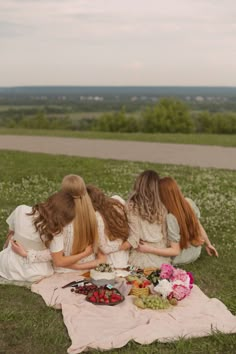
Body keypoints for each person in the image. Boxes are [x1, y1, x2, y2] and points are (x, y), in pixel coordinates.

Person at [10, 175, 105, 273]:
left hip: (62, 269)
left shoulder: (58, 220)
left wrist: (27, 254)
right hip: (89, 265)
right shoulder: (96, 218)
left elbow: (55, 257)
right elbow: (102, 256)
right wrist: (84, 258)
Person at [0, 191, 93, 282]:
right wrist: (85, 253)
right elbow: (59, 261)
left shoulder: (21, 209)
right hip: (33, 273)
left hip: (7, 264)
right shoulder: (55, 231)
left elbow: (11, 232)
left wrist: (14, 244)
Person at [137, 176, 218, 265]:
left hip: (181, 256)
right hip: (195, 250)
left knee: (148, 253)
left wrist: (149, 249)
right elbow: (198, 226)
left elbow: (175, 251)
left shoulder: (171, 217)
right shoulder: (188, 202)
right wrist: (208, 244)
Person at [120, 170, 170, 268]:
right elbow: (165, 235)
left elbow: (134, 238)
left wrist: (117, 249)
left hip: (141, 254)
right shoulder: (162, 206)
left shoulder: (132, 206)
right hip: (161, 256)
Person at [85, 184, 130, 269]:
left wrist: (121, 246)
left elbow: (105, 249)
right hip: (124, 255)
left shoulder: (97, 217)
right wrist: (126, 243)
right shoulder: (117, 200)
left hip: (111, 262)